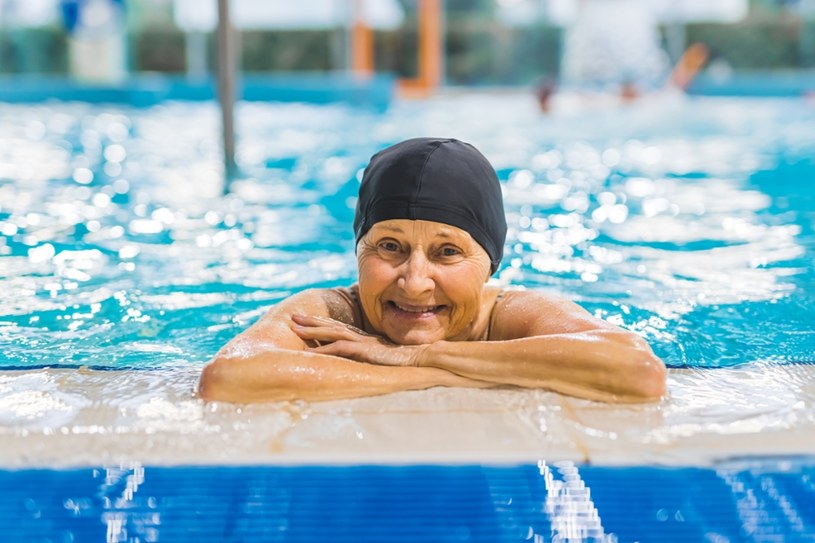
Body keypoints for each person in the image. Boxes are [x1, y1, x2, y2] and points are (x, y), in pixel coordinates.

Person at [198, 138, 666, 404]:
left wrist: (420, 356)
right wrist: (426, 374)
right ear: (358, 250)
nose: (414, 281)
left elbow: (638, 370)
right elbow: (228, 378)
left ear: (488, 265)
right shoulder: (331, 314)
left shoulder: (511, 314)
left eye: (446, 253)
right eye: (389, 247)